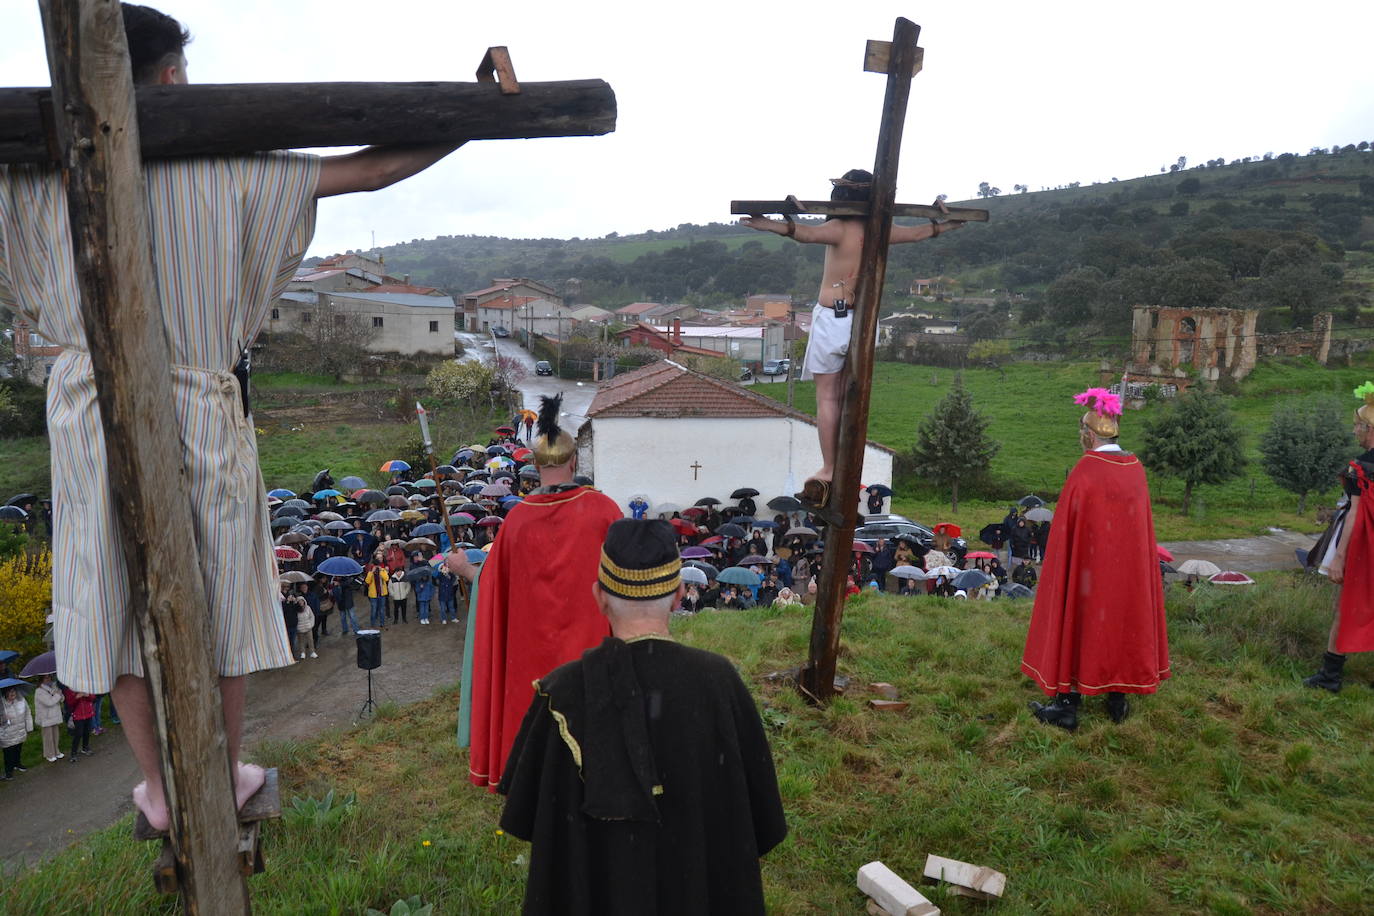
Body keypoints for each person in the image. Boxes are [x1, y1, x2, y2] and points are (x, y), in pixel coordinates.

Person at [0, 3, 467, 831]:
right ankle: (219, 772)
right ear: (172, 75)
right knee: (213, 591)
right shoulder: (231, 165)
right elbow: (378, 170)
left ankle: (159, 785)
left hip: (83, 409)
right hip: (199, 402)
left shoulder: (31, 164)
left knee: (113, 599)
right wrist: (479, 115)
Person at [498, 518, 787, 915]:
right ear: (679, 594)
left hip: (594, 896)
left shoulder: (560, 694)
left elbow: (532, 822)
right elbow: (764, 822)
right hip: (698, 895)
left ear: (599, 596)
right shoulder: (719, 682)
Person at [740, 170, 964, 512]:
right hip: (864, 321)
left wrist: (768, 224)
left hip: (833, 317)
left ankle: (830, 467)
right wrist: (947, 226)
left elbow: (802, 233)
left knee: (828, 398)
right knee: (851, 397)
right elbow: (920, 233)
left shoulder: (840, 228)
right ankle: (845, 461)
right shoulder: (880, 231)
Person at [457, 394, 624, 791]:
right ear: (575, 463)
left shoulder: (516, 521)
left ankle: (529, 776)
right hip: (590, 648)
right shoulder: (604, 511)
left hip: (527, 656)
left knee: (532, 712)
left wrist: (467, 571)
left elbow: (493, 585)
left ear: (534, 468)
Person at [1021, 389, 1169, 731]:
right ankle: (1118, 700)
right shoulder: (1135, 468)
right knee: (1122, 618)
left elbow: (1066, 532)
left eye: (1081, 435)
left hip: (1087, 573)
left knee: (1079, 619)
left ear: (1089, 436)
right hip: (1126, 573)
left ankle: (1067, 706)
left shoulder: (1086, 470)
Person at [1303, 382, 1374, 691]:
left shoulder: (1360, 466)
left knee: (1344, 607)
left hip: (1363, 546)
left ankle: (1330, 677)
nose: (1355, 430)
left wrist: (1339, 558)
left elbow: (1355, 514)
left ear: (1370, 428)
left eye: (1358, 425)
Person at [0, 686, 33, 780]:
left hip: (20, 731)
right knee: (8, 753)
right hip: (7, 734)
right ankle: (8, 772)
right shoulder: (1, 703)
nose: (12, 693)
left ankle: (17, 764)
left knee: (18, 749)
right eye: (9, 691)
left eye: (13, 691)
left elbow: (28, 713)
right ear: (5, 693)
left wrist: (29, 727)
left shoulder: (22, 700)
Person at [35, 675, 65, 762]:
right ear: (41, 679)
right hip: (46, 717)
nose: (48, 679)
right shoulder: (39, 691)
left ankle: (56, 751)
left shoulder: (53, 687)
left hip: (54, 716)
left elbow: (62, 699)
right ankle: (49, 754)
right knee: (48, 737)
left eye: (49, 677)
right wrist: (57, 696)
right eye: (46, 678)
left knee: (56, 735)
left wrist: (59, 693)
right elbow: (49, 702)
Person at [63, 685, 96, 761]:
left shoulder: (86, 686)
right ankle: (73, 753)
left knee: (87, 732)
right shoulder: (69, 690)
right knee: (78, 734)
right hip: (77, 715)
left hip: (88, 713)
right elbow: (69, 703)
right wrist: (77, 697)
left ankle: (85, 748)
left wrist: (87, 695)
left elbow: (93, 698)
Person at [365, 551, 390, 629]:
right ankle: (373, 624)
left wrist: (381, 570)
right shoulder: (370, 568)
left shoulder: (382, 569)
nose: (380, 559)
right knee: (374, 610)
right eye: (378, 558)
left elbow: (386, 578)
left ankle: (382, 623)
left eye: (381, 558)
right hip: (373, 594)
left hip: (382, 593)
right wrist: (372, 572)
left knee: (382, 610)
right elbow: (367, 581)